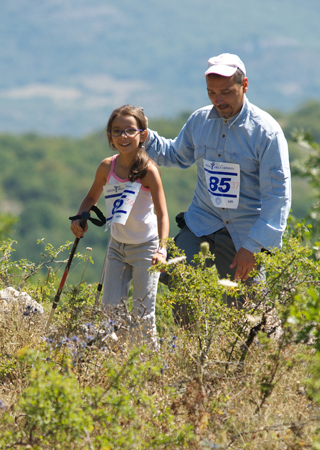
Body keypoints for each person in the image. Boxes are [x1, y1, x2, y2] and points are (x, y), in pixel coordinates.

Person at [145, 53, 291, 322]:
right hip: (202, 221)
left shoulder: (266, 132)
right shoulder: (199, 121)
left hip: (244, 233)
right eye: (211, 93)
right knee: (179, 275)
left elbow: (278, 196)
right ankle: (188, 349)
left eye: (226, 92)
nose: (218, 100)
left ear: (244, 85)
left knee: (245, 311)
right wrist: (145, 136)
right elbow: (176, 155)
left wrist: (254, 246)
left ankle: (241, 357)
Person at [71, 105, 169, 343]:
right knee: (110, 312)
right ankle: (115, 363)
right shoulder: (107, 167)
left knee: (143, 315)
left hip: (146, 249)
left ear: (142, 135)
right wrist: (80, 217)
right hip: (116, 247)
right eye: (117, 131)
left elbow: (162, 214)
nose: (123, 136)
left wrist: (162, 250)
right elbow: (91, 197)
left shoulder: (148, 171)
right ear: (109, 137)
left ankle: (150, 371)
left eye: (130, 131)